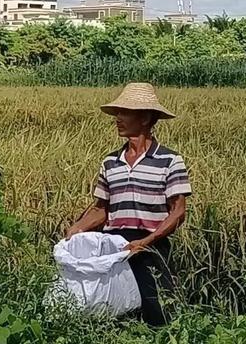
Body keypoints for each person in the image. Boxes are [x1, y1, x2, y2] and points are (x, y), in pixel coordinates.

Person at [65, 83, 191, 327]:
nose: (118, 119)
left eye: (125, 112)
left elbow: (178, 211)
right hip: (115, 247)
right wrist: (77, 228)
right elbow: (101, 208)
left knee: (157, 310)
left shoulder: (169, 161)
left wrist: (146, 242)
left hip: (151, 246)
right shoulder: (111, 162)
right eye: (117, 113)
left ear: (144, 118)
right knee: (112, 309)